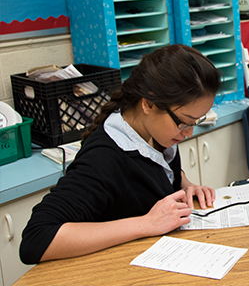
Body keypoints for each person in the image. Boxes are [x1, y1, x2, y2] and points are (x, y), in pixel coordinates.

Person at [20, 44, 220, 264]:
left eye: (195, 122)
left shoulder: (152, 130)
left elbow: (154, 167)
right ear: (149, 104)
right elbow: (35, 240)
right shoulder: (104, 159)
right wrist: (145, 224)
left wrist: (185, 184)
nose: (189, 132)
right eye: (184, 122)